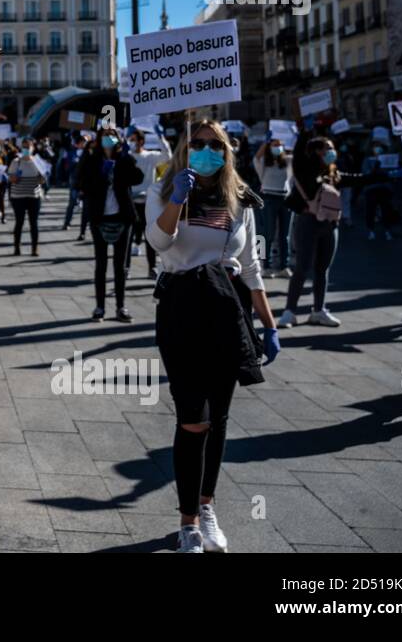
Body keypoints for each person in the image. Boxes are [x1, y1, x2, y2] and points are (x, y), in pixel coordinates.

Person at [146, 119, 280, 553]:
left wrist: (270, 323)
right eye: (198, 143)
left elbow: (252, 265)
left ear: (227, 151)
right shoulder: (165, 187)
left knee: (218, 420)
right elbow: (158, 243)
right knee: (193, 418)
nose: (206, 150)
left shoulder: (240, 199)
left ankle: (207, 508)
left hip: (227, 308)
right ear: (186, 147)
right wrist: (176, 200)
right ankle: (188, 522)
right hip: (182, 309)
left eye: (215, 145)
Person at [278, 135, 378, 327]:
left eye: (332, 148)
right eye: (327, 148)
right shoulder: (305, 170)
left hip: (330, 225)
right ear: (316, 151)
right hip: (308, 223)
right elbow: (299, 154)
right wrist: (303, 129)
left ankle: (318, 310)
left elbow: (356, 179)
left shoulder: (333, 173)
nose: (332, 152)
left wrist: (381, 174)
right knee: (302, 268)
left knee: (322, 270)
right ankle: (289, 312)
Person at [77, 127, 143, 322]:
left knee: (120, 265)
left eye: (112, 136)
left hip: (122, 216)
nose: (109, 139)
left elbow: (138, 178)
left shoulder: (124, 158)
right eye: (105, 136)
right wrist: (100, 175)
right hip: (99, 217)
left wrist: (125, 161)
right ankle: (99, 307)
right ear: (99, 140)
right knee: (101, 264)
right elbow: (80, 182)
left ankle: (121, 307)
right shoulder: (91, 159)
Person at [127, 129, 170, 279]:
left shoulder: (150, 156)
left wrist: (161, 138)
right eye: (130, 139)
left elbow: (167, 156)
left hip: (147, 202)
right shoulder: (128, 157)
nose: (131, 142)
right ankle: (126, 267)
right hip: (131, 201)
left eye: (134, 139)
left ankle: (151, 267)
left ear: (141, 141)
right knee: (129, 235)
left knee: (149, 237)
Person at [253, 136, 293, 277]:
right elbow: (257, 157)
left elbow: (298, 155)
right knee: (268, 233)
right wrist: (266, 141)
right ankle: (265, 265)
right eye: (275, 144)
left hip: (285, 198)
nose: (278, 147)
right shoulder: (264, 162)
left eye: (280, 144)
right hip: (268, 197)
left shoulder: (288, 161)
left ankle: (284, 266)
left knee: (284, 235)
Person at [7, 140, 46, 256]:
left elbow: (42, 180)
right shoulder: (16, 161)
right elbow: (10, 178)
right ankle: (17, 247)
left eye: (28, 147)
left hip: (34, 196)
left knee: (34, 223)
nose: (26, 149)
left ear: (33, 148)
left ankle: (35, 248)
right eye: (24, 147)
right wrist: (15, 178)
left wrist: (43, 178)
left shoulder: (38, 162)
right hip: (18, 197)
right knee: (19, 222)